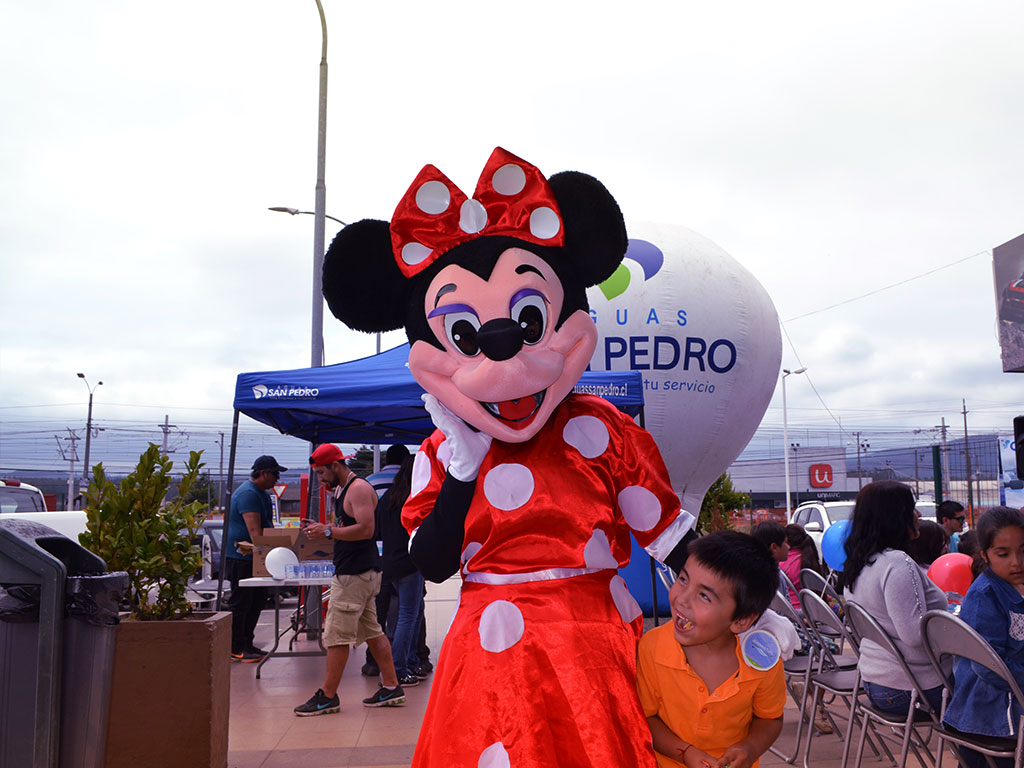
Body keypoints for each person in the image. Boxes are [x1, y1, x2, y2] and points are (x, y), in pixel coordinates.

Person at [637, 531, 785, 768]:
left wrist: (750, 747)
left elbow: (771, 718)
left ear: (742, 620)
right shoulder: (652, 648)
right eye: (683, 579)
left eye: (704, 596)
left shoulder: (762, 659)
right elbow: (644, 718)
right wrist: (686, 753)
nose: (681, 600)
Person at [294, 443, 406, 715]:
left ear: (335, 466)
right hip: (358, 572)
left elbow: (367, 530)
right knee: (372, 631)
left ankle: (328, 696)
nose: (320, 480)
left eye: (322, 474)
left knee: (336, 636)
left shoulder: (358, 489)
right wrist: (322, 530)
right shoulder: (344, 489)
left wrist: (329, 532)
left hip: (354, 575)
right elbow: (347, 527)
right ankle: (391, 687)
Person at [842, 480, 950, 715]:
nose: (919, 514)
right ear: (894, 517)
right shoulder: (898, 564)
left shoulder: (861, 563)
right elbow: (914, 635)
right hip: (915, 687)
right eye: (912, 508)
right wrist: (958, 631)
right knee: (997, 687)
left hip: (876, 682)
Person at [943, 506, 1024, 768]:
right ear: (984, 555)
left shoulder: (1016, 583)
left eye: (1023, 551)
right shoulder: (985, 596)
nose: (1016, 562)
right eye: (1004, 554)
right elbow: (989, 666)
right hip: (989, 712)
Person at [225, 455, 284, 662]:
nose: (277, 478)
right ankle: (235, 647)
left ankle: (248, 643)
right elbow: (255, 531)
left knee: (257, 600)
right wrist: (272, 556)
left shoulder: (263, 495)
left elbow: (269, 528)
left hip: (257, 558)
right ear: (263, 473)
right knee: (241, 602)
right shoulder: (248, 494)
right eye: (275, 474)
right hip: (241, 557)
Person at [378, 455, 424, 687]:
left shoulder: (388, 498)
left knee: (413, 613)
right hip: (409, 563)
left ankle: (412, 660)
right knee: (408, 616)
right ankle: (399, 668)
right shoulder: (414, 498)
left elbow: (377, 532)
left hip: (390, 564)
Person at [782, 523, 826, 611]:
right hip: (815, 610)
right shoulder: (810, 559)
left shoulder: (783, 560)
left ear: (786, 541)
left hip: (792, 611)